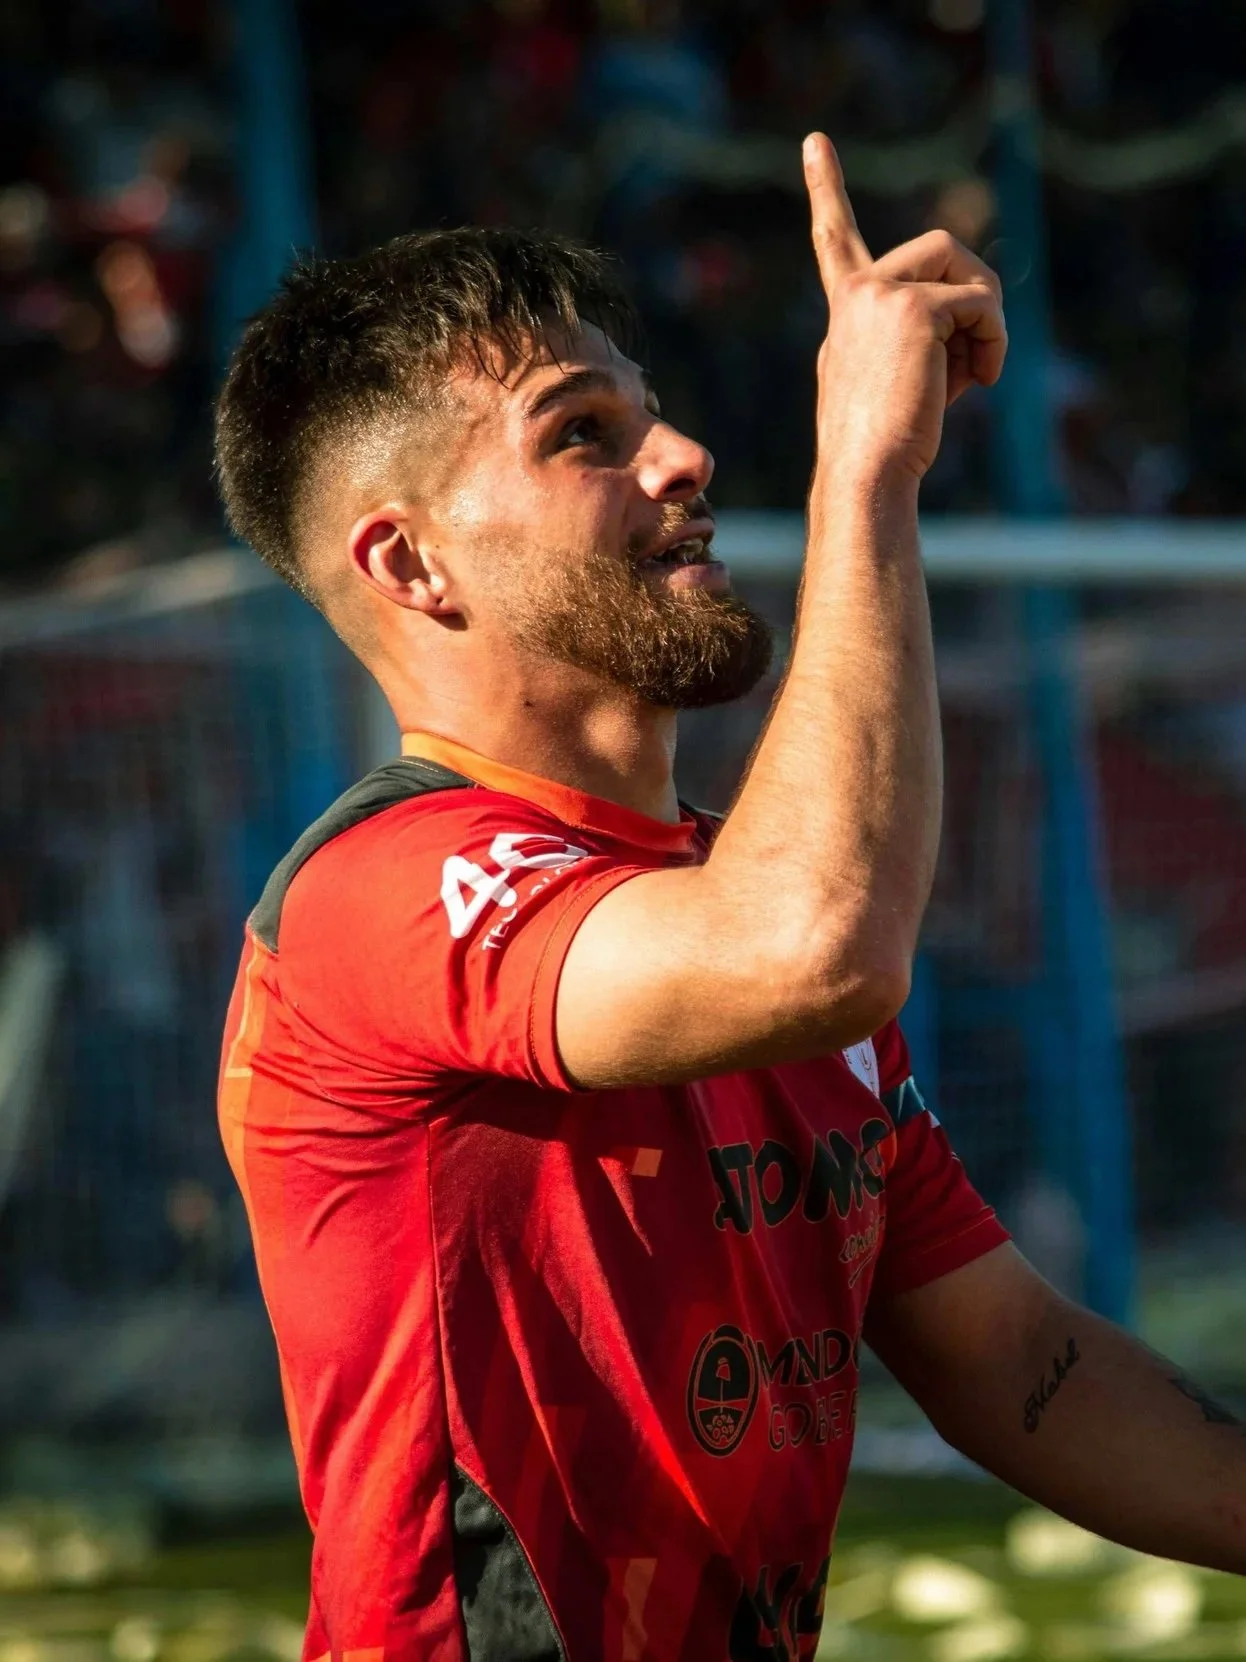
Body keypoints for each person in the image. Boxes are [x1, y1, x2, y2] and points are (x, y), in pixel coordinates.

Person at [214, 135, 1245, 1662]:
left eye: (652, 409)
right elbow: (814, 946)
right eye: (583, 431)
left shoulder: (718, 898)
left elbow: (1016, 1358)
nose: (684, 454)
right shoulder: (384, 886)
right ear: (413, 565)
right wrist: (865, 472)